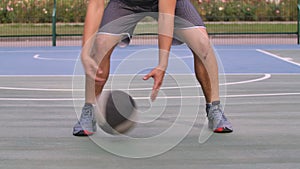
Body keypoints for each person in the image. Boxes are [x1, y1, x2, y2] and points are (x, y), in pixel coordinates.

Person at [73, 0, 233, 136]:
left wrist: (162, 63)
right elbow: (96, 4)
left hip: (167, 4)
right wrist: (85, 52)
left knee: (202, 44)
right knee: (100, 44)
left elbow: (165, 16)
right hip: (124, 3)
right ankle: (90, 109)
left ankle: (214, 107)